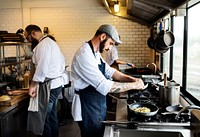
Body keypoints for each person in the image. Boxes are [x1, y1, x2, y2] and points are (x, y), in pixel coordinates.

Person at [71, 24, 144, 137]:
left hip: (96, 104)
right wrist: (133, 85)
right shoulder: (84, 55)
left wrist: (132, 79)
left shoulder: (95, 53)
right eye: (111, 43)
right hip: (86, 106)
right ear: (103, 36)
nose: (110, 48)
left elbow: (110, 71)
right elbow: (106, 86)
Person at [24, 24, 68, 137]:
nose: (28, 40)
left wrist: (32, 86)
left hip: (49, 86)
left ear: (33, 33)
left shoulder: (43, 45)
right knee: (52, 115)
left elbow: (41, 69)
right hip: (56, 85)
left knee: (42, 119)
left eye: (27, 37)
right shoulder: (51, 43)